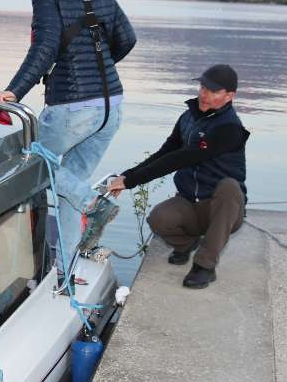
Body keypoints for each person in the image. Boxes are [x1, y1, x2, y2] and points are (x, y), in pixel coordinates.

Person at [0, 0, 136, 281]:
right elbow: (127, 39)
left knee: (33, 160)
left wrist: (14, 91)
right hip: (111, 105)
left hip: (74, 105)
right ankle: (66, 272)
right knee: (67, 184)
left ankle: (93, 203)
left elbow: (47, 46)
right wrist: (96, 63)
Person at [107, 64, 250, 289]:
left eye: (213, 91)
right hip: (190, 204)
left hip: (220, 208)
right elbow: (166, 153)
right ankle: (187, 244)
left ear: (230, 96)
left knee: (230, 187)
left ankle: (205, 266)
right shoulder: (188, 118)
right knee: (158, 219)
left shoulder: (229, 128)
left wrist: (132, 181)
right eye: (203, 86)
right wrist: (127, 176)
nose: (204, 94)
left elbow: (184, 157)